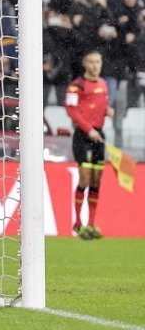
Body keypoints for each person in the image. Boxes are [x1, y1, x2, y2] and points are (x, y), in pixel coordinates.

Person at [65, 50, 114, 240]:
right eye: (92, 62)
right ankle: (78, 222)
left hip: (98, 136)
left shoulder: (103, 85)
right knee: (84, 179)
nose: (95, 65)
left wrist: (107, 111)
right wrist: (88, 129)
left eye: (98, 62)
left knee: (96, 181)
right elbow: (72, 111)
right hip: (83, 136)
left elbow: (98, 107)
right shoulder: (76, 86)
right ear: (85, 63)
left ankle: (92, 224)